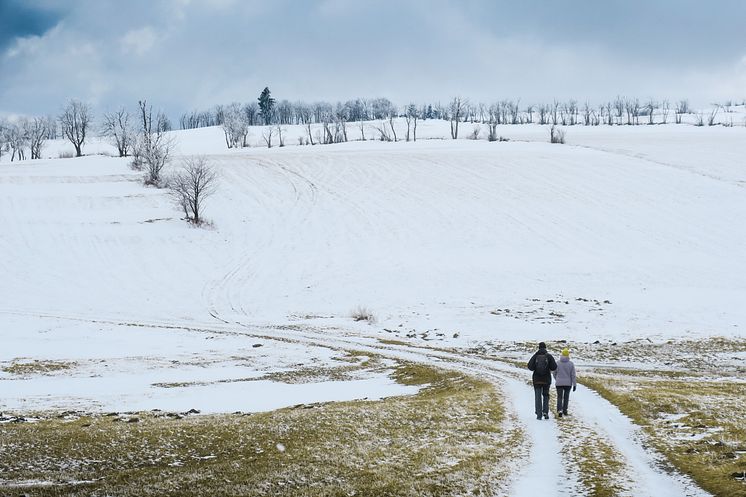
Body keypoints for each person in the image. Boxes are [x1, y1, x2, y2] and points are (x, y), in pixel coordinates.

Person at [527, 342, 557, 420]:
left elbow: (530, 366)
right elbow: (554, 367)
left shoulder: (535, 356)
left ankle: (539, 414)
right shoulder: (549, 356)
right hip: (546, 380)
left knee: (538, 396)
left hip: (537, 380)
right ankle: (545, 412)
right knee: (546, 395)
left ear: (539, 348)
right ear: (545, 348)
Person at [553, 348, 577, 417]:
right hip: (568, 383)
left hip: (559, 383)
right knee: (566, 397)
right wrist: (574, 384)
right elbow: (573, 375)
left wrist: (557, 379)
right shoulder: (571, 364)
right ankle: (565, 410)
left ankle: (559, 410)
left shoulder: (557, 363)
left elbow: (554, 373)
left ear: (562, 354)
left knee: (559, 397)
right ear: (568, 355)